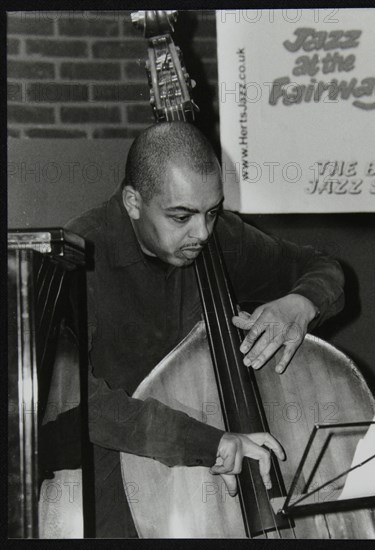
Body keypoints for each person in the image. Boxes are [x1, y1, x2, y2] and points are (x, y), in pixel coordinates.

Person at [65, 121, 345, 537]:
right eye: (181, 216)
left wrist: (300, 303)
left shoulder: (218, 239)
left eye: (212, 212)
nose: (201, 233)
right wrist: (210, 443)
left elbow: (321, 267)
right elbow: (75, 401)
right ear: (133, 201)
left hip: (224, 482)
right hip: (124, 489)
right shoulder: (79, 256)